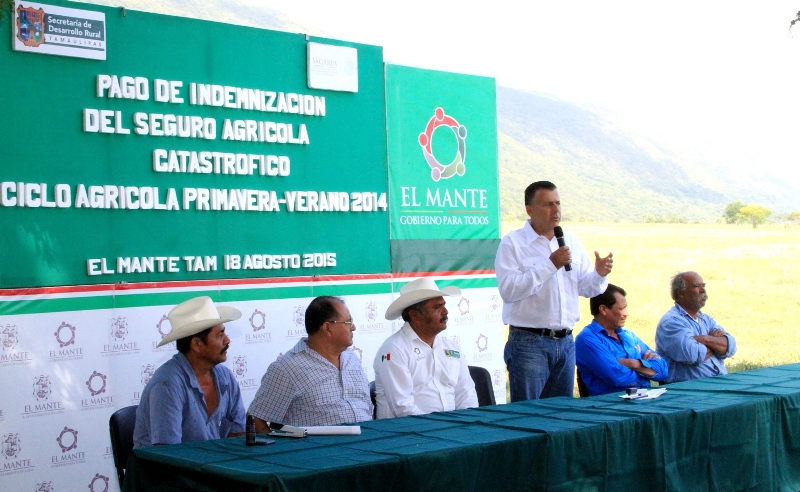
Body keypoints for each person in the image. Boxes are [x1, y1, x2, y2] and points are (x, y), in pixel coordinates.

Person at [495, 181, 613, 401]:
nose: (556, 210)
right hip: (529, 343)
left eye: (558, 203)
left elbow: (586, 288)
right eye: (548, 204)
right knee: (528, 416)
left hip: (566, 342)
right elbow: (509, 291)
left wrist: (598, 273)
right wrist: (550, 265)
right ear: (529, 210)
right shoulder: (513, 243)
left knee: (562, 416)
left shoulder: (571, 242)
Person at [133, 296, 246, 448]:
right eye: (219, 335)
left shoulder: (225, 377)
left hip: (210, 467)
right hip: (168, 471)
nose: (227, 340)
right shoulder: (167, 385)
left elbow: (237, 434)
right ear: (197, 344)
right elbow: (168, 453)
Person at [248, 296, 372, 430]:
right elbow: (257, 419)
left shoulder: (351, 358)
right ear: (327, 328)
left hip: (368, 441)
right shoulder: (287, 368)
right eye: (348, 322)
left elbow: (367, 407)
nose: (353, 327)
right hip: (321, 449)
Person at [373, 278, 478, 418]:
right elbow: (402, 407)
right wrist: (441, 427)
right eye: (437, 307)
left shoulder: (451, 346)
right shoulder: (394, 349)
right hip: (408, 433)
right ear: (415, 315)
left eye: (444, 305)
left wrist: (464, 422)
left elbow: (466, 392)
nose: (445, 311)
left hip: (452, 429)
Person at [575, 284, 668, 396]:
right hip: (611, 406)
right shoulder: (587, 339)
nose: (626, 313)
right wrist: (646, 370)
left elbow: (663, 370)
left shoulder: (628, 335)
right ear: (603, 309)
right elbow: (617, 377)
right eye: (621, 308)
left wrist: (633, 364)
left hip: (643, 399)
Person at [655, 271, 737, 383]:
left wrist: (705, 339)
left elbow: (730, 347)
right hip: (689, 391)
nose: (703, 290)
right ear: (681, 293)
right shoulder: (671, 322)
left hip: (718, 383)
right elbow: (692, 355)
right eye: (696, 286)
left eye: (703, 286)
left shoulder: (705, 319)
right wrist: (715, 343)